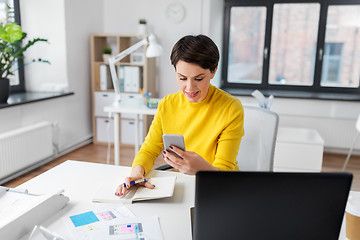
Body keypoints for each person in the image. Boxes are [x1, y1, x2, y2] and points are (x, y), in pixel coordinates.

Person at [115, 34, 244, 196]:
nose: (189, 88)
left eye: (198, 78)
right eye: (182, 78)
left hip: (220, 186)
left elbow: (224, 168)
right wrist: (136, 173)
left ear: (213, 71)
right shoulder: (167, 104)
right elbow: (149, 149)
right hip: (184, 184)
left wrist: (200, 168)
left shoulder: (231, 107)